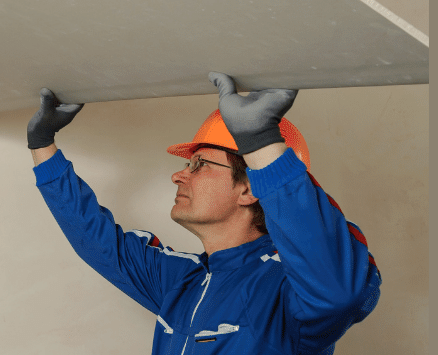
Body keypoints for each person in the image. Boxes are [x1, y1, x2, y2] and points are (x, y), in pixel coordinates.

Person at [26, 72, 381, 355]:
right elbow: (98, 242)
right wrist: (43, 145)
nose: (178, 174)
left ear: (249, 189)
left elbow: (337, 291)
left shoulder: (281, 290)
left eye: (199, 164)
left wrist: (260, 140)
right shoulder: (183, 280)